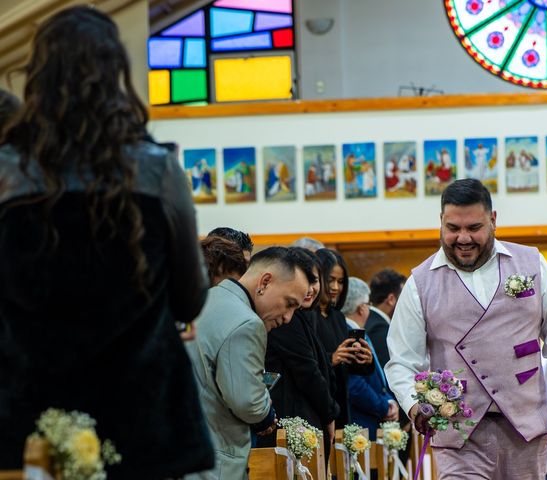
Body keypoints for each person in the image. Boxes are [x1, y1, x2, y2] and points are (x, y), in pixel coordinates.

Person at [0, 6, 214, 478]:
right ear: (116, 70)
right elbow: (190, 297)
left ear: (36, 74)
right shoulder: (158, 171)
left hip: (33, 408)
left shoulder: (6, 173)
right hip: (141, 409)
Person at [385, 179, 547, 479]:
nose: (462, 238)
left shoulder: (532, 263)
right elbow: (401, 360)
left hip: (525, 431)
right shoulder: (420, 283)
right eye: (453, 228)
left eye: (473, 228)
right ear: (441, 222)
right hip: (458, 437)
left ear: (493, 221)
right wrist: (415, 406)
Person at [186, 247, 314, 480]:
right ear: (265, 282)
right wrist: (266, 415)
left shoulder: (208, 298)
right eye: (289, 303)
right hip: (215, 463)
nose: (288, 318)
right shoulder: (247, 323)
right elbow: (248, 402)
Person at [258, 248, 339, 463]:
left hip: (305, 418)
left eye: (315, 280)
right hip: (292, 420)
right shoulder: (286, 319)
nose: (311, 288)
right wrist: (330, 413)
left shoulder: (305, 317)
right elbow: (307, 372)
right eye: (306, 280)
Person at [314, 248, 374, 428]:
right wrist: (331, 359)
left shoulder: (338, 317)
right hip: (319, 405)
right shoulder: (306, 316)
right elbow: (305, 363)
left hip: (342, 406)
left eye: (340, 282)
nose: (335, 287)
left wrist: (365, 359)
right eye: (330, 280)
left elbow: (350, 367)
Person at [343, 277, 399, 440]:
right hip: (361, 425)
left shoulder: (359, 332)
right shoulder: (350, 335)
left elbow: (378, 376)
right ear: (361, 308)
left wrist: (389, 401)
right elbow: (355, 384)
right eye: (368, 304)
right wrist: (384, 406)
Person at [365, 268, 406, 368]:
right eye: (404, 297)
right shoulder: (380, 329)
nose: (406, 303)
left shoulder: (368, 319)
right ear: (391, 299)